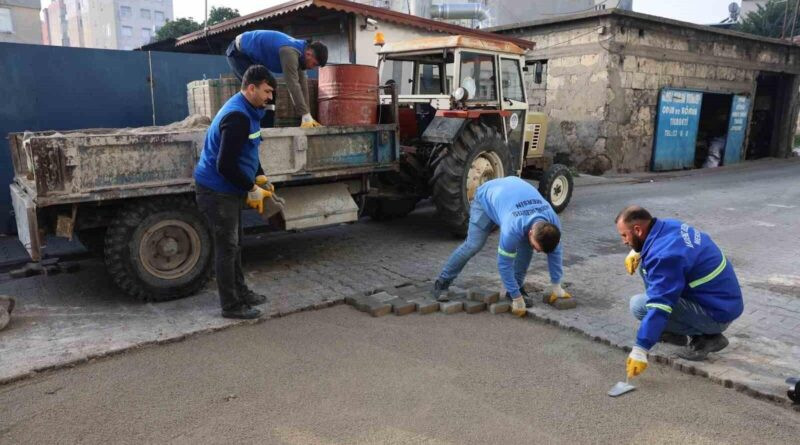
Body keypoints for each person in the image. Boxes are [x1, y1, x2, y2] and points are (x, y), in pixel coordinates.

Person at [616, 206, 744, 379]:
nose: (624, 241)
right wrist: (637, 251)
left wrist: (640, 349)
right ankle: (676, 333)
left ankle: (708, 338)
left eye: (625, 235)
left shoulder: (664, 256)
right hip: (722, 301)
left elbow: (660, 305)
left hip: (717, 313)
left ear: (638, 230)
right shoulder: (669, 226)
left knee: (640, 306)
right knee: (647, 273)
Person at [194, 65, 277, 319]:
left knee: (236, 243)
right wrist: (251, 188)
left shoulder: (251, 110)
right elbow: (225, 165)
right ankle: (231, 306)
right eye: (266, 91)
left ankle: (242, 292)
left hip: (229, 188)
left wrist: (260, 175)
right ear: (251, 88)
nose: (270, 98)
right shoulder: (237, 116)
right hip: (217, 191)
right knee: (227, 247)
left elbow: (250, 148)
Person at [432, 177, 572, 316]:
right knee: (473, 245)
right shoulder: (512, 228)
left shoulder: (553, 222)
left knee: (526, 248)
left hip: (512, 196)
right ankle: (442, 282)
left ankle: (516, 288)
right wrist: (517, 299)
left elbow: (555, 254)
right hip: (486, 199)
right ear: (530, 232)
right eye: (537, 247)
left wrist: (556, 285)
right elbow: (504, 264)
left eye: (539, 250)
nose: (536, 251)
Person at [226, 30, 327, 128]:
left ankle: (267, 129)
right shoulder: (290, 53)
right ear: (309, 54)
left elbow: (302, 86)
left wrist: (307, 116)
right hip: (239, 54)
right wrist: (304, 113)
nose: (312, 68)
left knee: (270, 92)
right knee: (256, 92)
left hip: (252, 58)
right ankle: (245, 126)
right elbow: (292, 84)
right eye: (314, 64)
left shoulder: (301, 56)